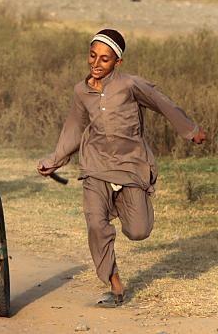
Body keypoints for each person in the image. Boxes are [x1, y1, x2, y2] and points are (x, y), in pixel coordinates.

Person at [37, 29, 207, 308]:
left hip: (131, 167)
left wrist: (190, 130)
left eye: (105, 59)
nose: (96, 63)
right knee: (96, 223)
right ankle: (114, 281)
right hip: (95, 166)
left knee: (139, 230)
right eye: (93, 56)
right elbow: (74, 128)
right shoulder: (82, 91)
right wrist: (54, 160)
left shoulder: (130, 85)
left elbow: (163, 103)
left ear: (118, 62)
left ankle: (121, 209)